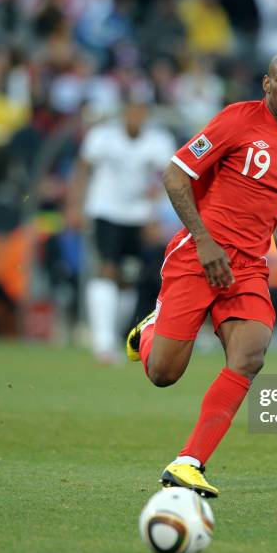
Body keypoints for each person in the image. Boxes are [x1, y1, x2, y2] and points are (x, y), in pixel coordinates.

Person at [126, 51, 277, 497]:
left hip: (250, 267)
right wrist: (204, 240)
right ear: (266, 83)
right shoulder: (236, 120)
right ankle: (150, 330)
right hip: (198, 255)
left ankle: (188, 463)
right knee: (163, 374)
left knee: (252, 353)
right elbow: (175, 176)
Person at [66, 86, 176, 363]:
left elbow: (164, 178)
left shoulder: (158, 141)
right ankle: (102, 342)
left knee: (129, 278)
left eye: (142, 110)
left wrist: (154, 215)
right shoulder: (103, 137)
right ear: (124, 111)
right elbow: (82, 169)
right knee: (107, 269)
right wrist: (75, 206)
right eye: (133, 109)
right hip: (105, 211)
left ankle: (113, 336)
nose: (137, 115)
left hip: (137, 216)